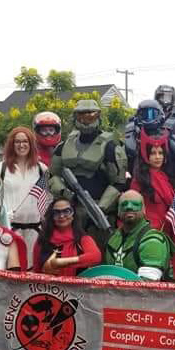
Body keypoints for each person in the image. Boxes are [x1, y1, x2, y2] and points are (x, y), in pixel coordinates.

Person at [48, 99, 128, 247]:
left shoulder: (110, 147)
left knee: (99, 256)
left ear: (98, 116)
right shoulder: (64, 146)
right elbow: (53, 175)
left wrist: (100, 208)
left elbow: (119, 183)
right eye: (81, 116)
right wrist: (65, 193)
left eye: (90, 116)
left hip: (99, 212)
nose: (86, 120)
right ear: (75, 117)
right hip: (68, 212)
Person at [129, 128, 175, 279]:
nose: (157, 157)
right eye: (153, 153)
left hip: (169, 231)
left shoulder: (167, 177)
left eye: (160, 153)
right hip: (150, 234)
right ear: (145, 155)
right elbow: (133, 210)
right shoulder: (139, 180)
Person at [0, 126, 47, 268]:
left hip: (36, 231)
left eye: (25, 141)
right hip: (10, 229)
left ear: (31, 144)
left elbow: (47, 199)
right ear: (12, 144)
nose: (21, 145)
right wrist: (3, 218)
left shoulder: (42, 169)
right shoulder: (0, 169)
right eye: (17, 142)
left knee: (33, 270)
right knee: (12, 269)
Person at [103, 190, 173, 281]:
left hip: (146, 294)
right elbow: (102, 275)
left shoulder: (153, 240)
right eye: (124, 204)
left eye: (135, 204)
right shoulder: (112, 239)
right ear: (118, 212)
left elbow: (147, 285)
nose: (129, 207)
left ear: (144, 210)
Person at [32, 197, 102, 277]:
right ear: (52, 216)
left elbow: (96, 256)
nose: (62, 216)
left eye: (66, 211)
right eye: (57, 212)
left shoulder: (83, 239)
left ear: (73, 215)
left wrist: (62, 262)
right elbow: (36, 271)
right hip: (47, 288)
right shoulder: (42, 239)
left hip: (76, 288)